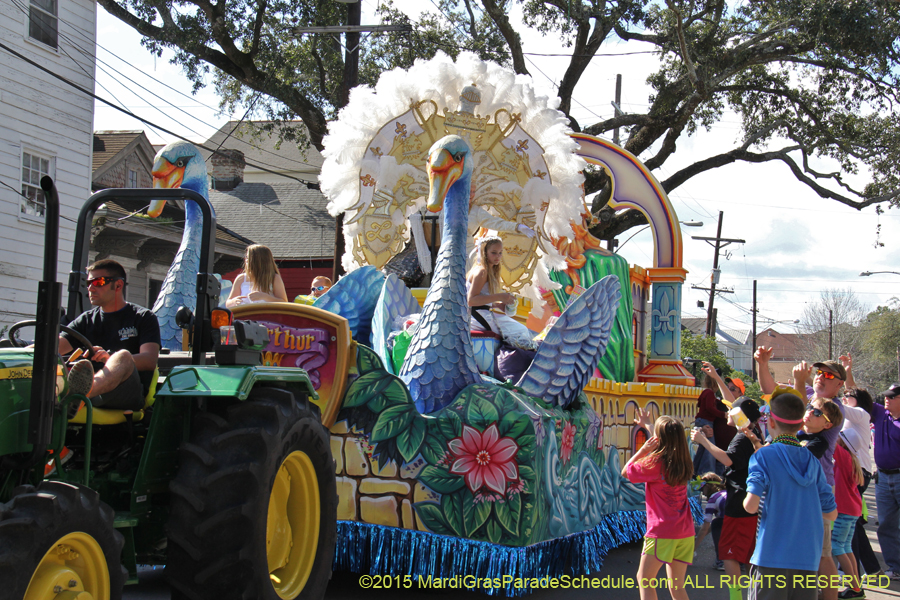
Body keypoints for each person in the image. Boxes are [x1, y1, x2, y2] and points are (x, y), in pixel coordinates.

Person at [743, 391, 837, 600]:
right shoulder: (812, 461)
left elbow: (750, 506)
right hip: (807, 560)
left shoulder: (763, 456)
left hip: (770, 557)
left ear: (772, 423)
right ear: (800, 424)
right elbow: (831, 514)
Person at [61, 259, 161, 411]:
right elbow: (54, 346)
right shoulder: (85, 320)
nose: (91, 289)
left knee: (123, 356)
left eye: (98, 282)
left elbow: (149, 360)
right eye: (88, 283)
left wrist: (110, 358)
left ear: (118, 285)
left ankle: (78, 395)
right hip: (96, 395)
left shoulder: (143, 317)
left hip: (126, 393)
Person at [691, 397, 762, 599]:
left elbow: (727, 459)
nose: (728, 412)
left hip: (739, 503)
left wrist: (703, 440)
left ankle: (736, 596)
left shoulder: (742, 438)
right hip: (748, 500)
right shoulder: (752, 433)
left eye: (732, 410)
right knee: (747, 553)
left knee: (728, 552)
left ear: (740, 415)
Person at [623, 408, 694, 600]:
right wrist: (647, 424)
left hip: (663, 531)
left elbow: (626, 471)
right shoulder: (684, 461)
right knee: (677, 587)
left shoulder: (655, 463)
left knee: (644, 579)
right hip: (685, 531)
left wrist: (643, 450)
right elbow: (667, 438)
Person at [466, 236, 535, 349]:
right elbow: (471, 300)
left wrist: (497, 304)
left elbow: (480, 299)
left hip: (480, 314)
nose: (498, 257)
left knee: (520, 329)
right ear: (484, 252)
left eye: (500, 253)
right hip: (477, 317)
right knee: (521, 331)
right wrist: (500, 297)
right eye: (494, 253)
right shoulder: (482, 272)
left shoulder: (485, 270)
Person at [841, 386, 880, 579]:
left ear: (860, 400)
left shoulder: (860, 414)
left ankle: (853, 574)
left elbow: (837, 407)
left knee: (849, 523)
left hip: (859, 472)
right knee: (853, 523)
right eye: (844, 395)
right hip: (853, 472)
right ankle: (871, 568)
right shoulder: (851, 417)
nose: (845, 397)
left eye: (849, 395)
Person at [831, 429, 866, 598]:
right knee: (845, 546)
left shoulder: (843, 456)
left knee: (837, 546)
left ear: (843, 442)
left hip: (843, 511)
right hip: (852, 510)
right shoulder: (852, 459)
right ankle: (856, 586)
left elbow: (829, 440)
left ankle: (855, 587)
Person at [874, 384, 900, 580]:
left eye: (892, 397)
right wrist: (847, 371)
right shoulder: (881, 414)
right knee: (886, 524)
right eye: (886, 396)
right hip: (882, 478)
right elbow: (856, 396)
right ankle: (895, 567)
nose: (887, 399)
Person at [695, 472, 726, 571]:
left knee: (717, 522)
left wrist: (693, 548)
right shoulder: (726, 492)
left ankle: (721, 561)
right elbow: (708, 528)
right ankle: (741, 562)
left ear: (708, 486)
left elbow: (705, 527)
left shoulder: (714, 498)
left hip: (726, 522)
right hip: (741, 522)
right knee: (718, 522)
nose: (702, 492)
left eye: (702, 488)